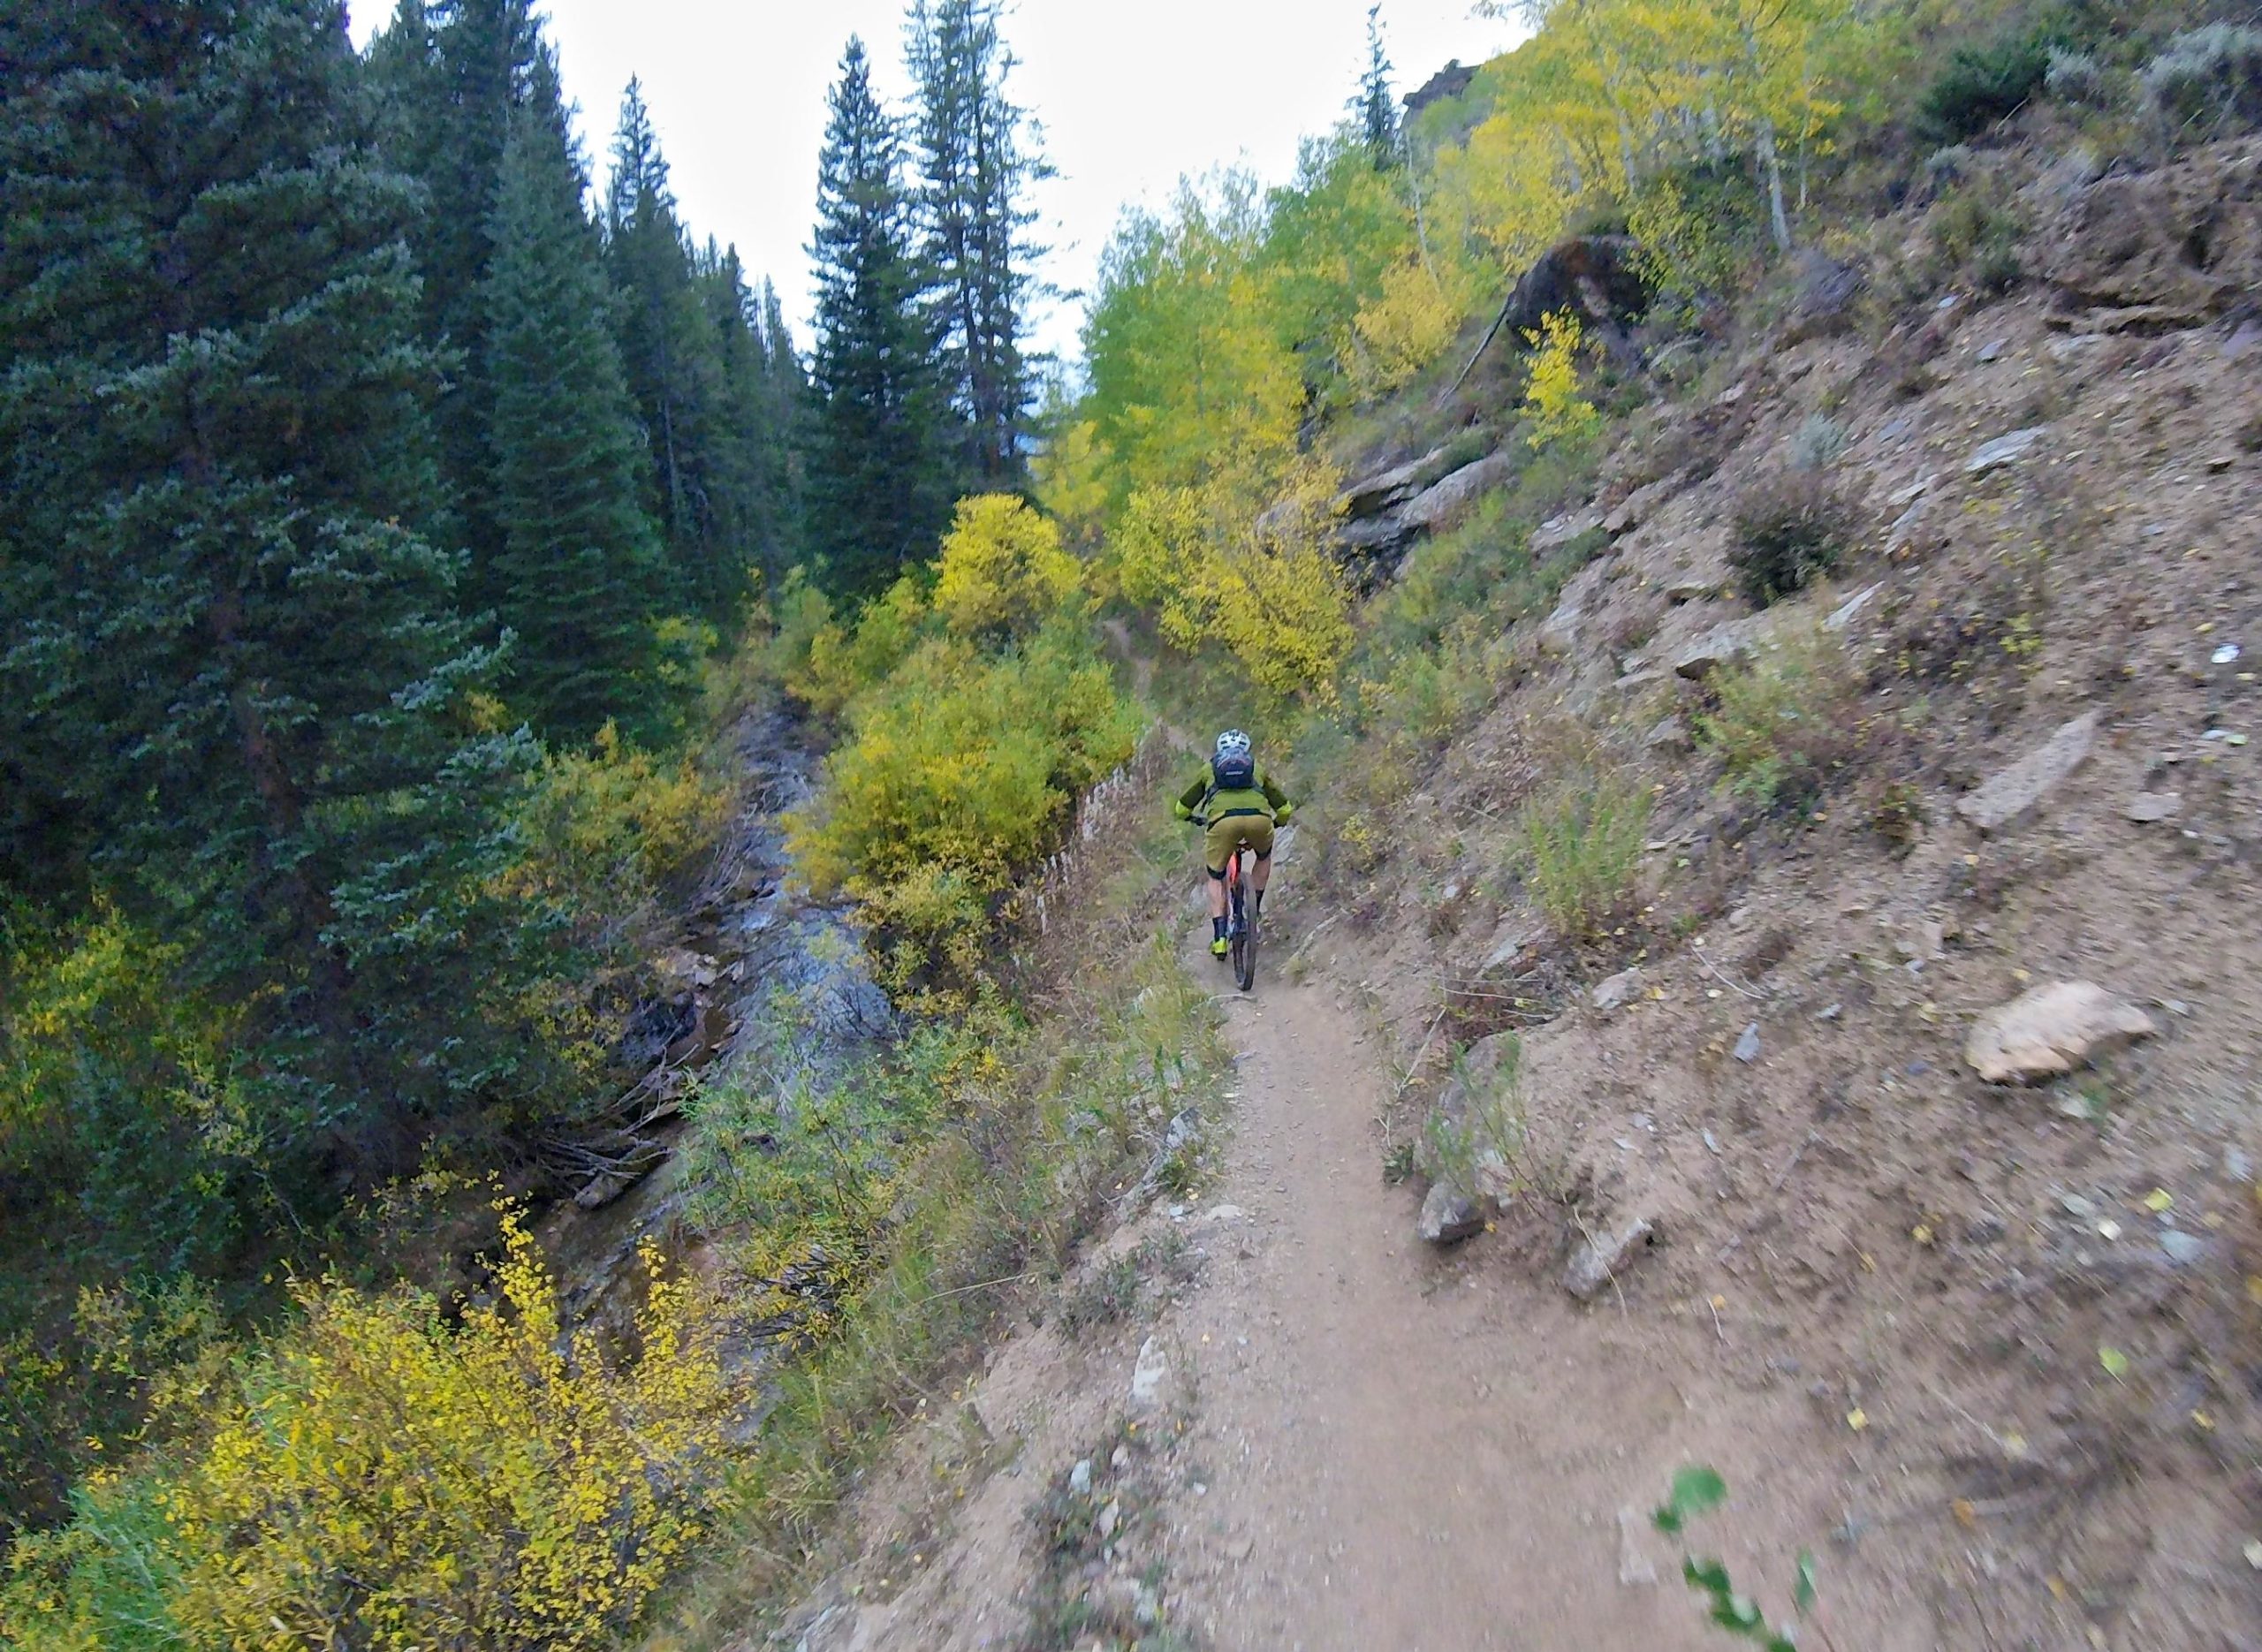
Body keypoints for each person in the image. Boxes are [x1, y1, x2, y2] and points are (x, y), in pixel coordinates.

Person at [1173, 731, 1294, 959]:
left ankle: (1219, 939)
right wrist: (1278, 822)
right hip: (1259, 821)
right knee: (1263, 856)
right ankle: (1253, 913)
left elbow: (1181, 808)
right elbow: (1285, 808)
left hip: (1222, 824)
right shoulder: (1257, 768)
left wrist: (1190, 817)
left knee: (1216, 876)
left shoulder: (1208, 769)